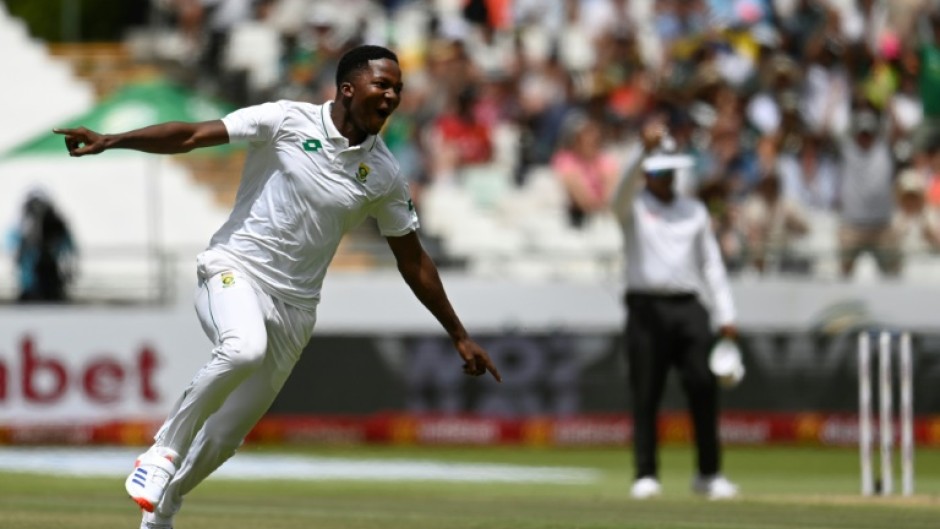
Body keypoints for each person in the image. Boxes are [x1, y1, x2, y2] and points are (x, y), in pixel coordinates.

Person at [54, 45, 501, 529]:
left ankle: (163, 510)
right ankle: (162, 452)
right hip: (235, 269)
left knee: (226, 436)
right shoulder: (286, 119)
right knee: (243, 348)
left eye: (398, 88)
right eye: (382, 85)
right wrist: (112, 140)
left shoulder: (385, 174)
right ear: (347, 89)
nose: (392, 96)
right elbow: (192, 135)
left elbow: (412, 259)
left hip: (296, 309)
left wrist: (458, 333)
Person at [610, 120, 739, 500]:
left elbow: (711, 264)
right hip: (645, 307)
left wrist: (726, 314)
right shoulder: (633, 207)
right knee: (646, 391)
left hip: (689, 307)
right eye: (656, 172)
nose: (663, 179)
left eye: (667, 172)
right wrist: (642, 150)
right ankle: (646, 473)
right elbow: (618, 193)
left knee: (703, 386)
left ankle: (709, 474)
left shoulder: (693, 210)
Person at [11, 187, 77, 303]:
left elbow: (68, 251)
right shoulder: (24, 229)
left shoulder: (56, 226)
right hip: (34, 282)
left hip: (50, 278)